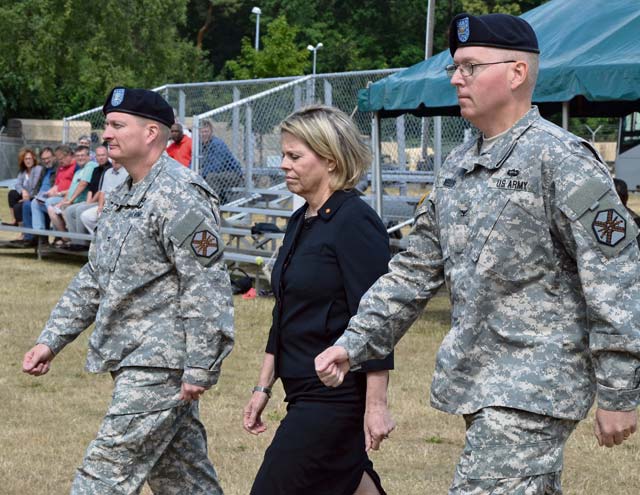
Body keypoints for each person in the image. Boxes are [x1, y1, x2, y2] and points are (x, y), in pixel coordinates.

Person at [315, 13, 640, 494]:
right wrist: (355, 341)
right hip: (481, 381)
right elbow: (414, 271)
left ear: (516, 73)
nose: (455, 79)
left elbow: (614, 275)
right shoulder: (459, 165)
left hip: (535, 387)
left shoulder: (562, 161)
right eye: (455, 67)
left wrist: (619, 389)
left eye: (469, 67)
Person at [22, 87, 234, 494]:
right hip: (132, 357)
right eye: (107, 125)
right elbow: (95, 279)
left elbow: (206, 283)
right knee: (184, 480)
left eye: (118, 125)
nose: (107, 134)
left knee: (102, 476)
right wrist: (51, 341)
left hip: (160, 365)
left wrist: (201, 364)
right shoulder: (123, 197)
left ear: (151, 132)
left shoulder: (181, 195)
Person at [243, 105, 395, 495]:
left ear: (329, 160)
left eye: (295, 156)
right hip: (299, 390)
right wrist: (264, 387)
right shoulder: (300, 221)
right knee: (349, 483)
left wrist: (376, 405)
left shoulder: (355, 221)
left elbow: (378, 317)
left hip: (334, 396)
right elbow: (284, 313)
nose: (283, 165)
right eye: (283, 155)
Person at [48, 145, 97, 246]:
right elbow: (71, 190)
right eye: (78, 155)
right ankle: (65, 237)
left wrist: (70, 201)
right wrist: (63, 201)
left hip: (82, 201)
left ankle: (78, 242)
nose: (80, 158)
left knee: (69, 209)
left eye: (83, 155)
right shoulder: (78, 171)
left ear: (88, 156)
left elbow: (83, 184)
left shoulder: (91, 165)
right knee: (52, 209)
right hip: (73, 201)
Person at [63, 145, 111, 247]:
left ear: (107, 155)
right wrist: (88, 202)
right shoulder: (96, 169)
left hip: (100, 201)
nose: (101, 157)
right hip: (92, 201)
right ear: (96, 157)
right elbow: (91, 189)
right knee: (69, 210)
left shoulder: (109, 169)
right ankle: (74, 240)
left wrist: (91, 203)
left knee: (80, 209)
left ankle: (81, 243)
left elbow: (100, 190)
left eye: (103, 155)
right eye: (99, 155)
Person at [30, 144, 76, 234]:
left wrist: (58, 194)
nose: (60, 161)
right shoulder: (61, 168)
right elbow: (56, 185)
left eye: (61, 158)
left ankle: (59, 236)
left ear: (69, 155)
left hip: (67, 197)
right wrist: (48, 193)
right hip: (55, 196)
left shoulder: (75, 167)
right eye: (59, 159)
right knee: (34, 202)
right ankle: (40, 235)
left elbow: (75, 187)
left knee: (49, 202)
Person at [199, 119, 243, 204]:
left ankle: (212, 206)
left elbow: (216, 167)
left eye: (206, 131)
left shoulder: (217, 144)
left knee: (211, 177)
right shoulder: (199, 146)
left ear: (211, 132)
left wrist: (200, 173)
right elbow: (193, 161)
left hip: (233, 175)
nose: (204, 134)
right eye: (202, 132)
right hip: (217, 175)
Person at [80, 159, 129, 233]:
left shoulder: (127, 173)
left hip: (118, 207)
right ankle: (97, 236)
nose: (116, 161)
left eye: (117, 159)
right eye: (113, 159)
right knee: (86, 216)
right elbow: (102, 192)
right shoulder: (107, 172)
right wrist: (100, 206)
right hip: (105, 205)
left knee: (107, 219)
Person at [19, 147, 55, 245]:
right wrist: (31, 196)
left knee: (34, 204)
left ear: (54, 157)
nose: (46, 161)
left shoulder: (56, 169)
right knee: (26, 203)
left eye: (48, 158)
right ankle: (29, 237)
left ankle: (39, 238)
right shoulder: (44, 170)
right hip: (38, 196)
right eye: (44, 159)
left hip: (49, 197)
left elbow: (56, 186)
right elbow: (37, 186)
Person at [5, 148, 42, 239]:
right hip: (25, 194)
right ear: (23, 161)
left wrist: (28, 197)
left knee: (18, 206)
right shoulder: (23, 171)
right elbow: (17, 184)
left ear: (34, 159)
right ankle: (15, 221)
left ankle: (23, 233)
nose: (28, 161)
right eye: (26, 159)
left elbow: (35, 187)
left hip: (34, 195)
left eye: (30, 158)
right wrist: (23, 191)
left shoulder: (37, 169)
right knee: (12, 193)